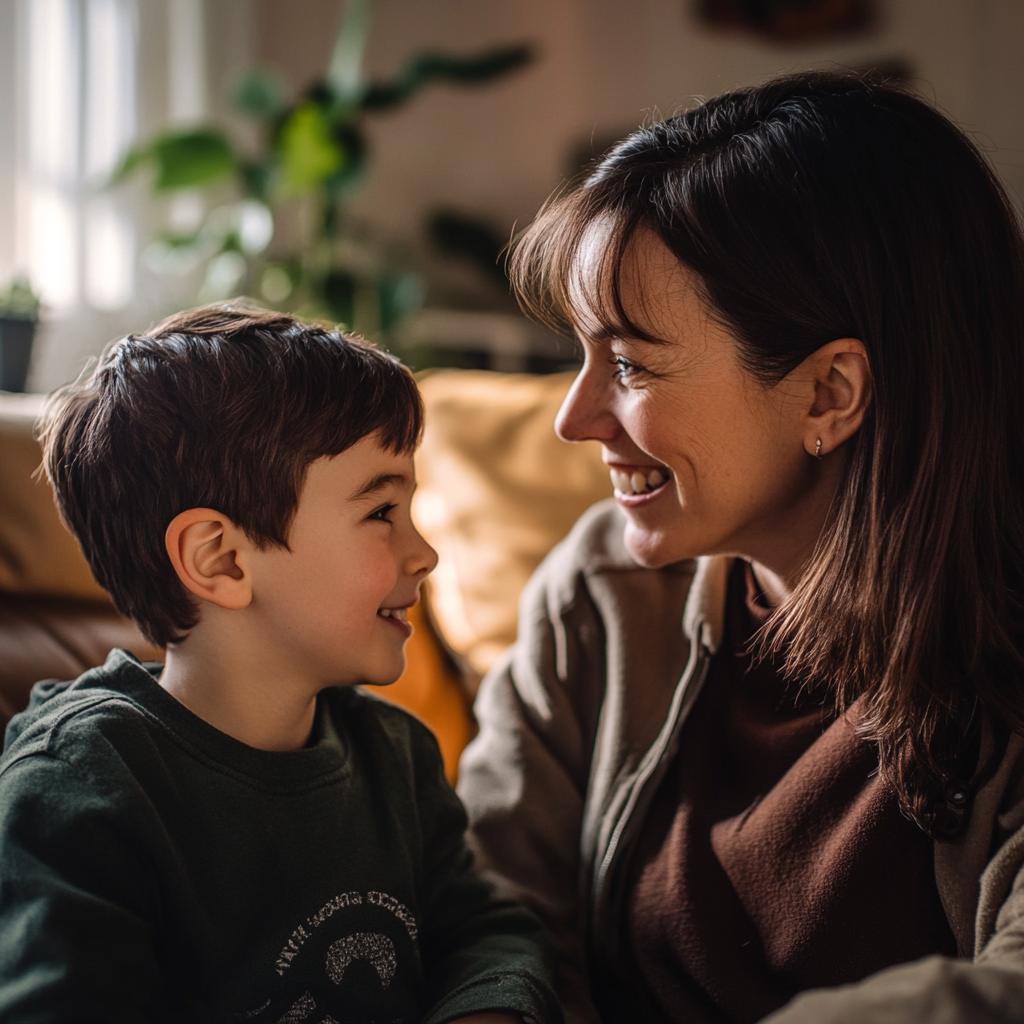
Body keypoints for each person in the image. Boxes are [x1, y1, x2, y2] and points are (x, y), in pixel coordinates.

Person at [457, 70, 1024, 1024]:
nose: (572, 417)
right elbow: (488, 905)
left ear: (829, 394)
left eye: (631, 362)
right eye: (584, 354)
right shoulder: (603, 592)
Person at [0, 305, 561, 1024]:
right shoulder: (77, 788)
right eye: (382, 511)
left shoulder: (396, 755)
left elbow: (485, 933)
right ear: (222, 559)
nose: (425, 553)